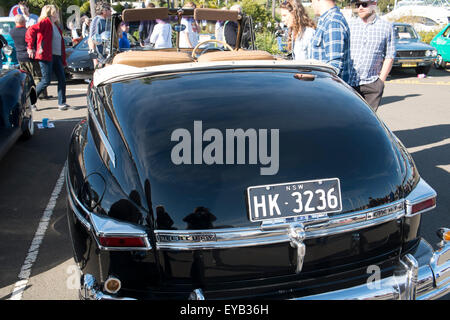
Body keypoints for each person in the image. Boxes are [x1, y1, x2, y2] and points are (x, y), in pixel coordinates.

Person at [348, 0, 395, 112]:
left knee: (367, 123)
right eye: (357, 5)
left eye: (364, 4)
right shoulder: (350, 25)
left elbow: (390, 55)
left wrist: (380, 82)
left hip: (372, 84)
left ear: (374, 4)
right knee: (349, 120)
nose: (360, 8)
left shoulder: (386, 27)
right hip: (349, 83)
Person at [26, 4, 69, 110]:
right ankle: (30, 102)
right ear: (50, 13)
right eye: (56, 12)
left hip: (57, 57)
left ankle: (61, 103)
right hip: (46, 56)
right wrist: (30, 47)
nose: (57, 14)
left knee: (62, 79)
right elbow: (31, 31)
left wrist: (63, 60)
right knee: (46, 81)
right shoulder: (45, 22)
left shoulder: (56, 26)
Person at [308, 0, 352, 84]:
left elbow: (334, 67)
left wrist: (311, 75)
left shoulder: (333, 22)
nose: (311, 4)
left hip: (328, 91)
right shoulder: (326, 20)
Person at [88, 1, 112, 68]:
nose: (111, 12)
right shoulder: (97, 21)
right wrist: (95, 61)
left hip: (108, 58)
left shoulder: (107, 21)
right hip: (101, 60)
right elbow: (91, 41)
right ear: (104, 11)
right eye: (109, 9)